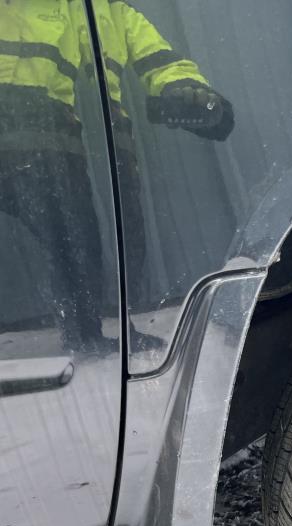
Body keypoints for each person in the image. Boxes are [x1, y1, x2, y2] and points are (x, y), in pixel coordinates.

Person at [0, 0, 233, 353]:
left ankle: (89, 332)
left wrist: (187, 91)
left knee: (87, 243)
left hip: (86, 156)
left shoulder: (114, 13)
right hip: (29, 147)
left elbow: (164, 63)